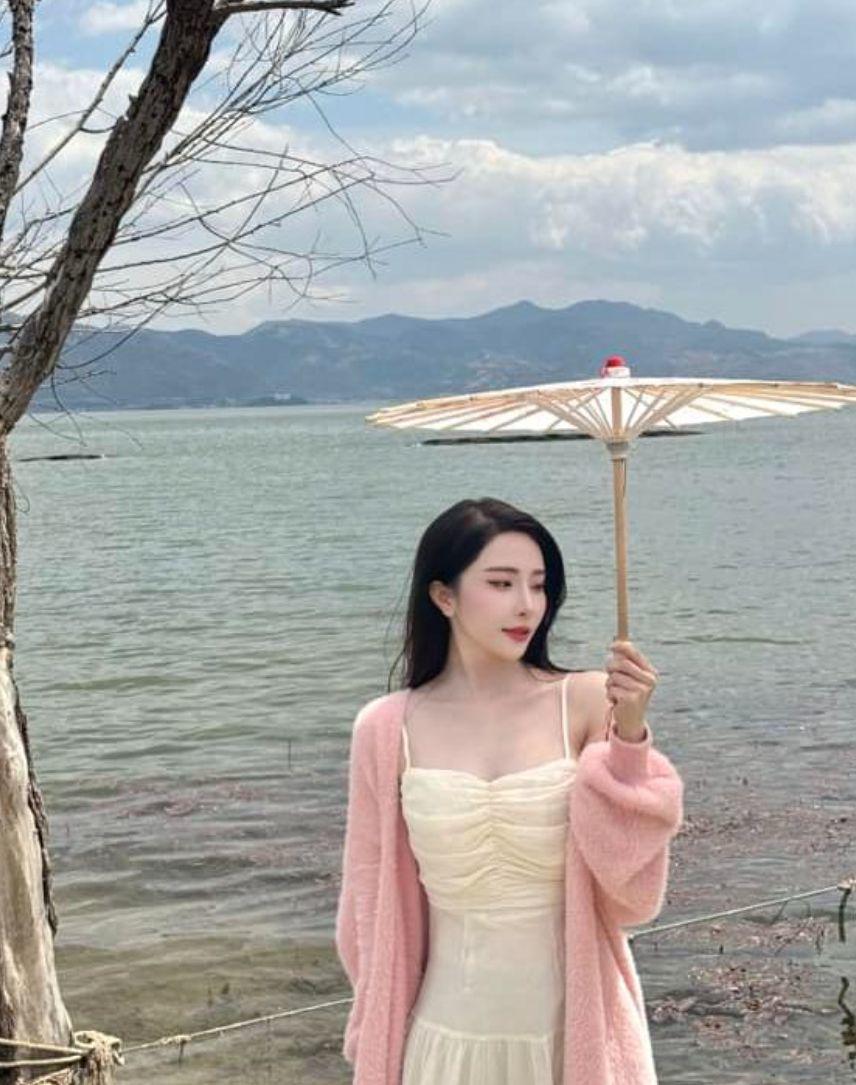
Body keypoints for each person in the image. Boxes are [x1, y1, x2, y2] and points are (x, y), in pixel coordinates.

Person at [335, 497, 684, 1085]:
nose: (527, 605)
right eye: (501, 583)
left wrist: (629, 740)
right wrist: (375, 1029)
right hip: (443, 1042)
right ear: (444, 596)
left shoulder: (587, 701)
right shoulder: (385, 727)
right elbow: (365, 908)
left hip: (571, 1041)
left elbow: (632, 897)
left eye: (539, 585)